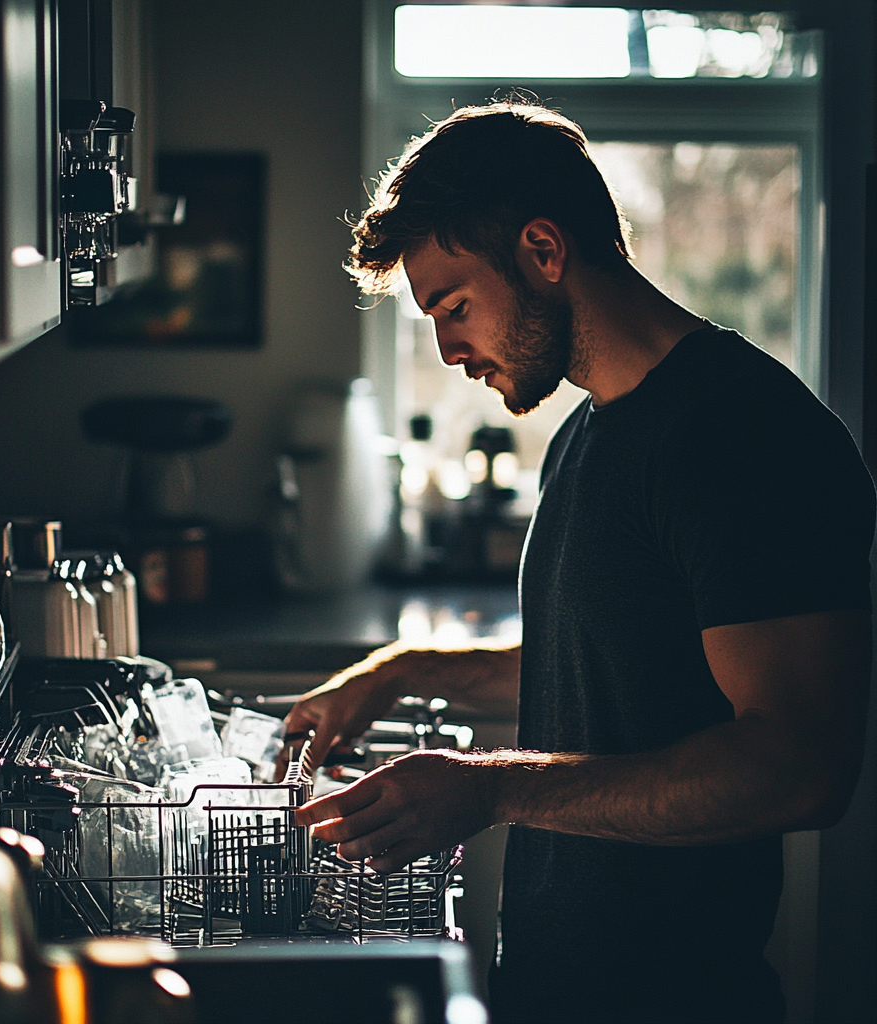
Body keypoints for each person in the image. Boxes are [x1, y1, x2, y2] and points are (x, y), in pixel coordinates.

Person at [285, 100, 875, 1024]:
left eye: (455, 307)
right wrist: (403, 674)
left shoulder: (750, 436)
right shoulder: (587, 433)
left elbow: (799, 765)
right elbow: (607, 670)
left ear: (542, 251)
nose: (447, 350)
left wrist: (489, 789)